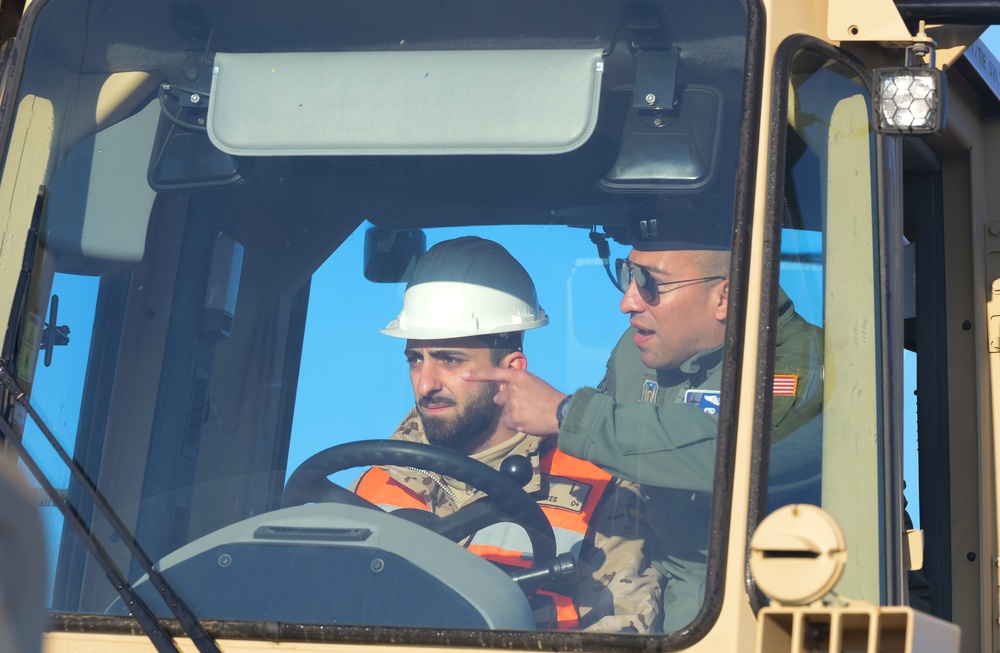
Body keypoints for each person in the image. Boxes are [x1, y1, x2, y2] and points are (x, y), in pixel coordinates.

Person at [464, 218, 825, 631]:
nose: (628, 302)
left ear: (725, 296)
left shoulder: (801, 370)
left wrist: (569, 414)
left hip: (761, 610)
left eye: (651, 283)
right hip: (652, 592)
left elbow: (729, 454)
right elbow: (605, 455)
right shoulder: (638, 353)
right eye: (627, 275)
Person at [351, 236, 663, 633]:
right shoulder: (372, 483)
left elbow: (623, 630)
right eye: (416, 359)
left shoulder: (599, 486)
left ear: (512, 370)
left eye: (450, 359)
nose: (425, 383)